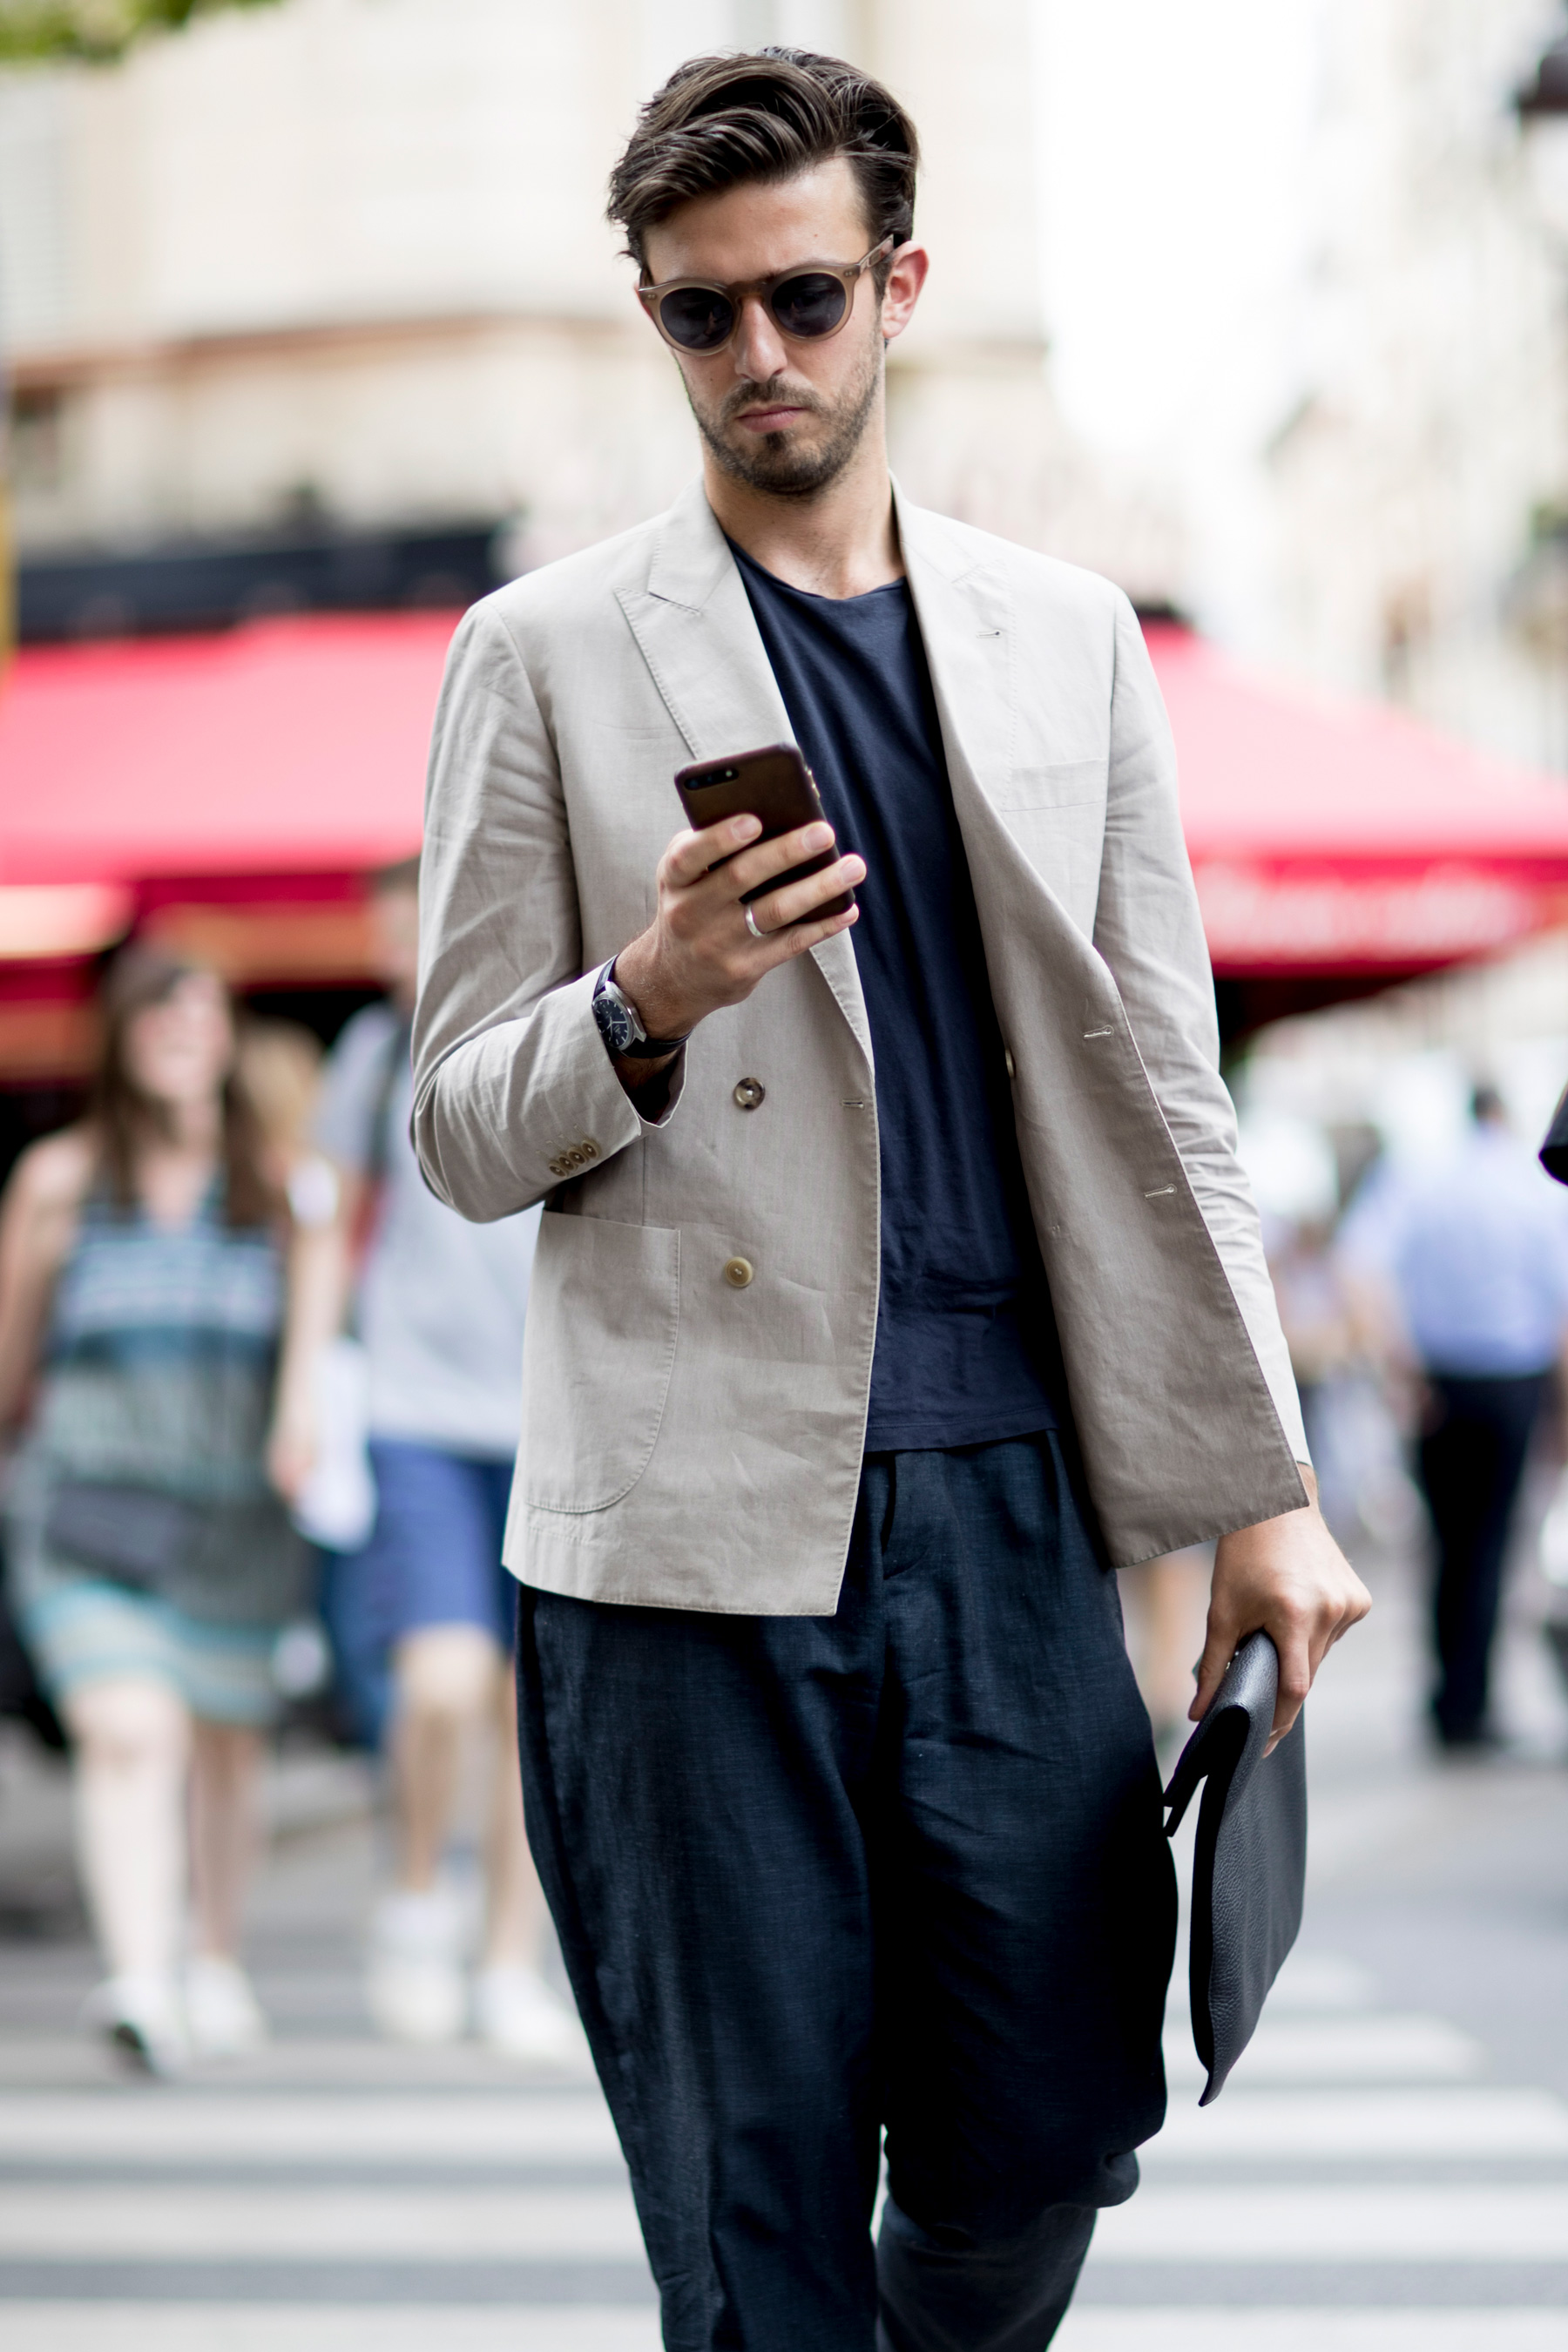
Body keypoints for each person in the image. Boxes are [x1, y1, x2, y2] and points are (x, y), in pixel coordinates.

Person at [412, 50, 1369, 2351]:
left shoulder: (1071, 635)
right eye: (701, 314)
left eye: (806, 301)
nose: (758, 358)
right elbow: (454, 1123)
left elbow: (1172, 1093)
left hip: (1016, 1508)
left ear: (901, 286)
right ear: (656, 317)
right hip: (679, 1550)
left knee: (1049, 2131)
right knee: (751, 2220)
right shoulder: (539, 655)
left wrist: (1266, 1490)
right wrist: (648, 992)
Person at [269, 859, 579, 2061]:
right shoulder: (373, 1054)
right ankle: (412, 1895)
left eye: (408, 935)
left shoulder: (547, 1022)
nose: (394, 961)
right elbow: (323, 1229)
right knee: (444, 1681)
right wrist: (305, 1382)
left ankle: (510, 1959)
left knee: (527, 1715)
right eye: (382, 940)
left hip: (551, 1412)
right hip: (416, 1408)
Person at [0, 949, 308, 2072]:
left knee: (226, 1745)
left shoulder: (277, 1185)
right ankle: (139, 1977)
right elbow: (9, 1356)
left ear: (229, 1039)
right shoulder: (58, 1181)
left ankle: (212, 1961)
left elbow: (313, 1346)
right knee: (135, 1731)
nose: (183, 1033)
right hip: (88, 1507)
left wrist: (302, 1425)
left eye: (204, 1015)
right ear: (121, 1039)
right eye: (159, 1016)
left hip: (235, 1516)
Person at [1342, 1084, 1568, 1747]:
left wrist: (1397, 1362)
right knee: (1492, 1541)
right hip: (1513, 1383)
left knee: (1444, 1543)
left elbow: (1359, 1265)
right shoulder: (1531, 1184)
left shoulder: (1418, 1175)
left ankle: (1450, 1699)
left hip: (1437, 1383)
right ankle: (1473, 1701)